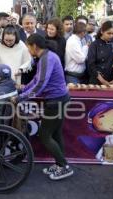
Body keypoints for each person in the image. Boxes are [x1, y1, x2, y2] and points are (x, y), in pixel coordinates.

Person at [12, 34, 73, 180]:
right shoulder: (45, 57)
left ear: (34, 46)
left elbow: (40, 84)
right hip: (59, 99)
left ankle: (63, 166)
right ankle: (60, 164)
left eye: (28, 47)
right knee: (56, 134)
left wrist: (21, 97)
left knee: (45, 135)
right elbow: (36, 80)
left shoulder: (47, 58)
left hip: (56, 101)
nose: (28, 50)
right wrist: (22, 90)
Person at [87, 21, 113, 85]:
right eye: (108, 33)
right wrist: (103, 81)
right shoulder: (94, 45)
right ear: (102, 31)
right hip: (97, 81)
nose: (111, 36)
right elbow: (91, 65)